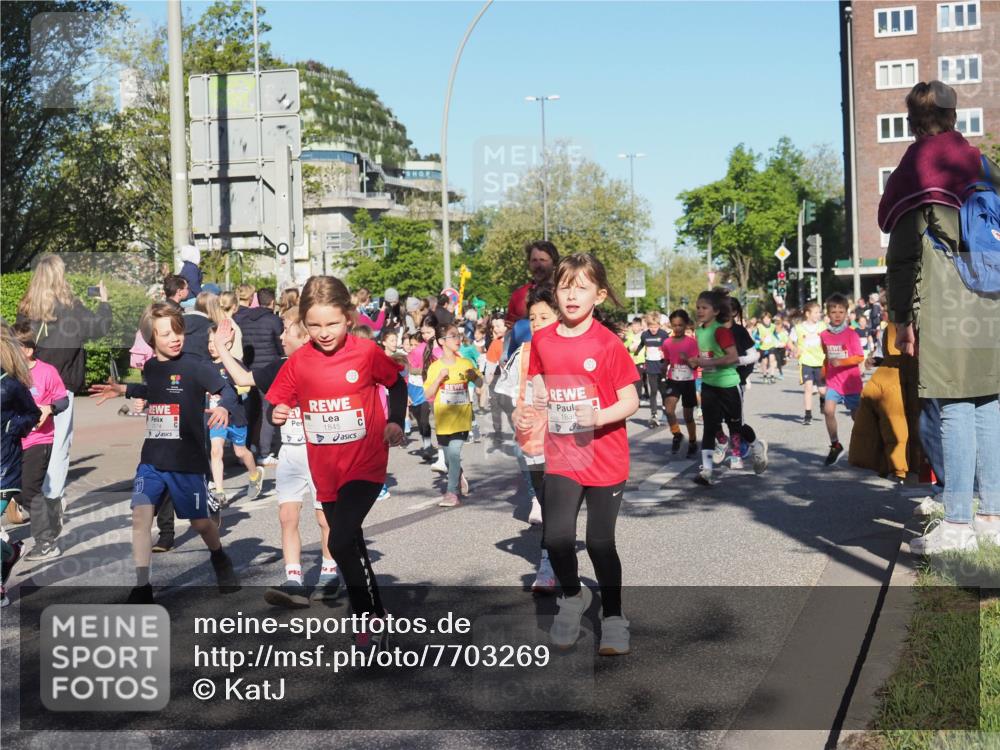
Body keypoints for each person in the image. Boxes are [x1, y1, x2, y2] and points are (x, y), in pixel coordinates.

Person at [880, 80, 1000, 554]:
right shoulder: (979, 162)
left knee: (953, 407)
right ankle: (992, 516)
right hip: (991, 299)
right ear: (955, 116)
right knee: (990, 406)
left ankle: (957, 524)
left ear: (912, 121)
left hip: (946, 300)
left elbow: (905, 255)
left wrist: (901, 317)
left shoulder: (917, 167)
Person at [266, 275, 407, 648]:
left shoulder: (365, 353)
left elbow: (396, 383)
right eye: (313, 325)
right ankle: (376, 613)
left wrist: (394, 420)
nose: (323, 332)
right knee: (351, 541)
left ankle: (365, 616)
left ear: (348, 317)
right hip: (325, 469)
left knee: (342, 539)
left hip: (366, 462)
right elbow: (276, 404)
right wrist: (277, 413)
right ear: (303, 323)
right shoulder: (299, 363)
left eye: (331, 323)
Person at [90, 302, 240, 604]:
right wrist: (124, 390)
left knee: (200, 524)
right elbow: (154, 391)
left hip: (186, 461)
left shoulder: (196, 365)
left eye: (178, 332)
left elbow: (228, 390)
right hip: (153, 460)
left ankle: (219, 557)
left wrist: (223, 406)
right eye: (165, 334)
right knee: (140, 518)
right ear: (151, 340)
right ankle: (143, 586)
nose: (175, 338)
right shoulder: (152, 367)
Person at [528, 253, 639, 656]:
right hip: (561, 455)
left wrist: (598, 415)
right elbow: (539, 373)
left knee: (599, 543)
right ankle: (572, 598)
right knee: (556, 538)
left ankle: (613, 616)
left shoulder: (608, 344)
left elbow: (631, 400)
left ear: (600, 294)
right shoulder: (542, 338)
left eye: (582, 287)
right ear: (554, 292)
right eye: (564, 287)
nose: (572, 295)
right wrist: (539, 387)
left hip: (605, 457)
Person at [211, 312, 338, 608]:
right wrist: (223, 348)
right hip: (291, 452)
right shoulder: (281, 366)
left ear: (306, 336)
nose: (280, 338)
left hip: (321, 452)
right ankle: (293, 579)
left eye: (286, 332)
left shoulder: (327, 364)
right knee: (287, 517)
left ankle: (329, 575)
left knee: (324, 518)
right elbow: (243, 379)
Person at [15, 255, 112, 515]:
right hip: (61, 384)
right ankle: (51, 499)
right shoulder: (71, 307)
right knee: (58, 445)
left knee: (31, 440)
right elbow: (98, 328)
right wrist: (104, 302)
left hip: (30, 381)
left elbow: (18, 343)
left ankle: (25, 495)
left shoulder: (25, 308)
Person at [688, 290, 768, 486]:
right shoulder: (699, 331)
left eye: (704, 308)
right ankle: (706, 471)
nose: (699, 311)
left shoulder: (725, 331)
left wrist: (706, 362)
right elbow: (705, 357)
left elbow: (734, 357)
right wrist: (693, 362)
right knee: (709, 427)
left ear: (716, 311)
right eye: (698, 307)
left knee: (736, 426)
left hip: (730, 384)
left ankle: (757, 447)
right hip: (708, 384)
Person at [510, 285, 559, 590]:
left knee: (560, 505)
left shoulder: (573, 349)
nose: (538, 321)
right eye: (533, 317)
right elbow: (506, 395)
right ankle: (550, 560)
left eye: (544, 316)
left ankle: (552, 560)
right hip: (536, 443)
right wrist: (515, 415)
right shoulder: (523, 353)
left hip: (570, 442)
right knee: (546, 501)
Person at [11, 323, 69, 561]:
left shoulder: (46, 372)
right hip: (14, 440)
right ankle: (51, 512)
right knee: (15, 489)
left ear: (27, 349)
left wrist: (50, 408)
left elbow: (63, 400)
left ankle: (46, 543)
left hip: (40, 439)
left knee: (30, 489)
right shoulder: (9, 374)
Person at [1, 325, 42, 607]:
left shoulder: (11, 383)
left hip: (3, 465)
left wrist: (10, 426)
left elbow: (33, 413)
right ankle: (9, 553)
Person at [424, 323, 482, 507]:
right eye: (453, 336)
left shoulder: (465, 363)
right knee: (449, 459)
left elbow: (480, 383)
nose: (458, 339)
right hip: (443, 419)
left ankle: (451, 493)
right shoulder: (435, 367)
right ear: (442, 341)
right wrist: (440, 378)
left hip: (462, 418)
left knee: (455, 453)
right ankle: (458, 475)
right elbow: (428, 394)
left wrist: (474, 376)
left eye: (458, 336)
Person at [205, 324, 263, 506]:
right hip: (216, 418)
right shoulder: (204, 366)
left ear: (227, 344)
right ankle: (220, 493)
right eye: (209, 342)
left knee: (240, 452)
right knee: (216, 450)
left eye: (215, 342)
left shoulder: (232, 362)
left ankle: (255, 474)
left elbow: (246, 383)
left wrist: (237, 387)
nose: (212, 345)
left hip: (235, 416)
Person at [234, 287, 284, 465]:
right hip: (269, 370)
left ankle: (246, 448)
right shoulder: (274, 320)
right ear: (272, 302)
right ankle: (264, 452)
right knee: (267, 410)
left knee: (250, 410)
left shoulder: (244, 320)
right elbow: (281, 346)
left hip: (248, 370)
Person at [818, 294, 865, 466]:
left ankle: (865, 447)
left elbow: (859, 356)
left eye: (841, 312)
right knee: (828, 410)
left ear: (846, 313)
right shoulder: (824, 335)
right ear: (828, 314)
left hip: (851, 383)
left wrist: (842, 362)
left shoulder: (851, 335)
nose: (837, 315)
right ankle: (835, 444)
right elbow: (827, 356)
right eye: (833, 312)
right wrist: (823, 373)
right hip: (834, 382)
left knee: (857, 419)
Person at [661, 310, 699, 457]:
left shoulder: (692, 343)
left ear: (686, 325)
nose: (677, 328)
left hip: (688, 381)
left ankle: (693, 441)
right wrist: (664, 366)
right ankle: (677, 434)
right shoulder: (667, 343)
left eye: (680, 325)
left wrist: (687, 359)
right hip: (673, 379)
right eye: (674, 325)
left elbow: (695, 365)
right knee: (669, 409)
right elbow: (667, 360)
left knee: (688, 416)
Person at [790, 301, 827, 425]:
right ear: (807, 314)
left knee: (822, 391)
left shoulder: (823, 326)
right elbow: (789, 342)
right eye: (816, 312)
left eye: (819, 312)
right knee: (808, 388)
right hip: (805, 361)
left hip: (820, 361)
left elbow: (830, 339)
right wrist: (794, 349)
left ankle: (823, 400)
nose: (819, 314)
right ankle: (808, 415)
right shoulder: (799, 328)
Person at [505, 241, 560, 325]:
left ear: (554, 264)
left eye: (543, 260)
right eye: (534, 260)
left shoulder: (564, 292)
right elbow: (510, 331)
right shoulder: (518, 296)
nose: (538, 265)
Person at [755, 313, 779, 384]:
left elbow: (775, 335)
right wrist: (760, 339)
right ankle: (765, 375)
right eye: (765, 319)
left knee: (772, 359)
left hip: (771, 345)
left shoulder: (773, 326)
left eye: (768, 318)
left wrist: (780, 341)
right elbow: (756, 336)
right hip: (763, 346)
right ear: (762, 320)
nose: (767, 320)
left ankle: (772, 375)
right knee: (764, 362)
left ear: (770, 319)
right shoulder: (759, 327)